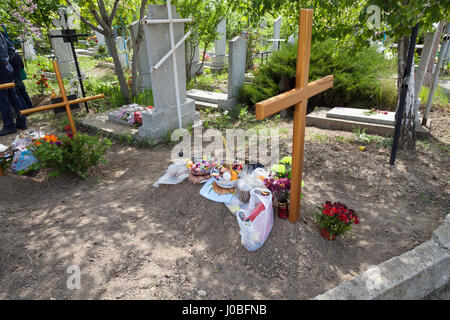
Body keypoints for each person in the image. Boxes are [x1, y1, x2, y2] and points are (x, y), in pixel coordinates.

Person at [0, 31, 27, 136]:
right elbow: (11, 49)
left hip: (2, 68)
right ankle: (21, 122)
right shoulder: (1, 33)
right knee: (13, 96)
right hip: (6, 66)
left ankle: (9, 125)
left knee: (3, 98)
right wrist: (7, 61)